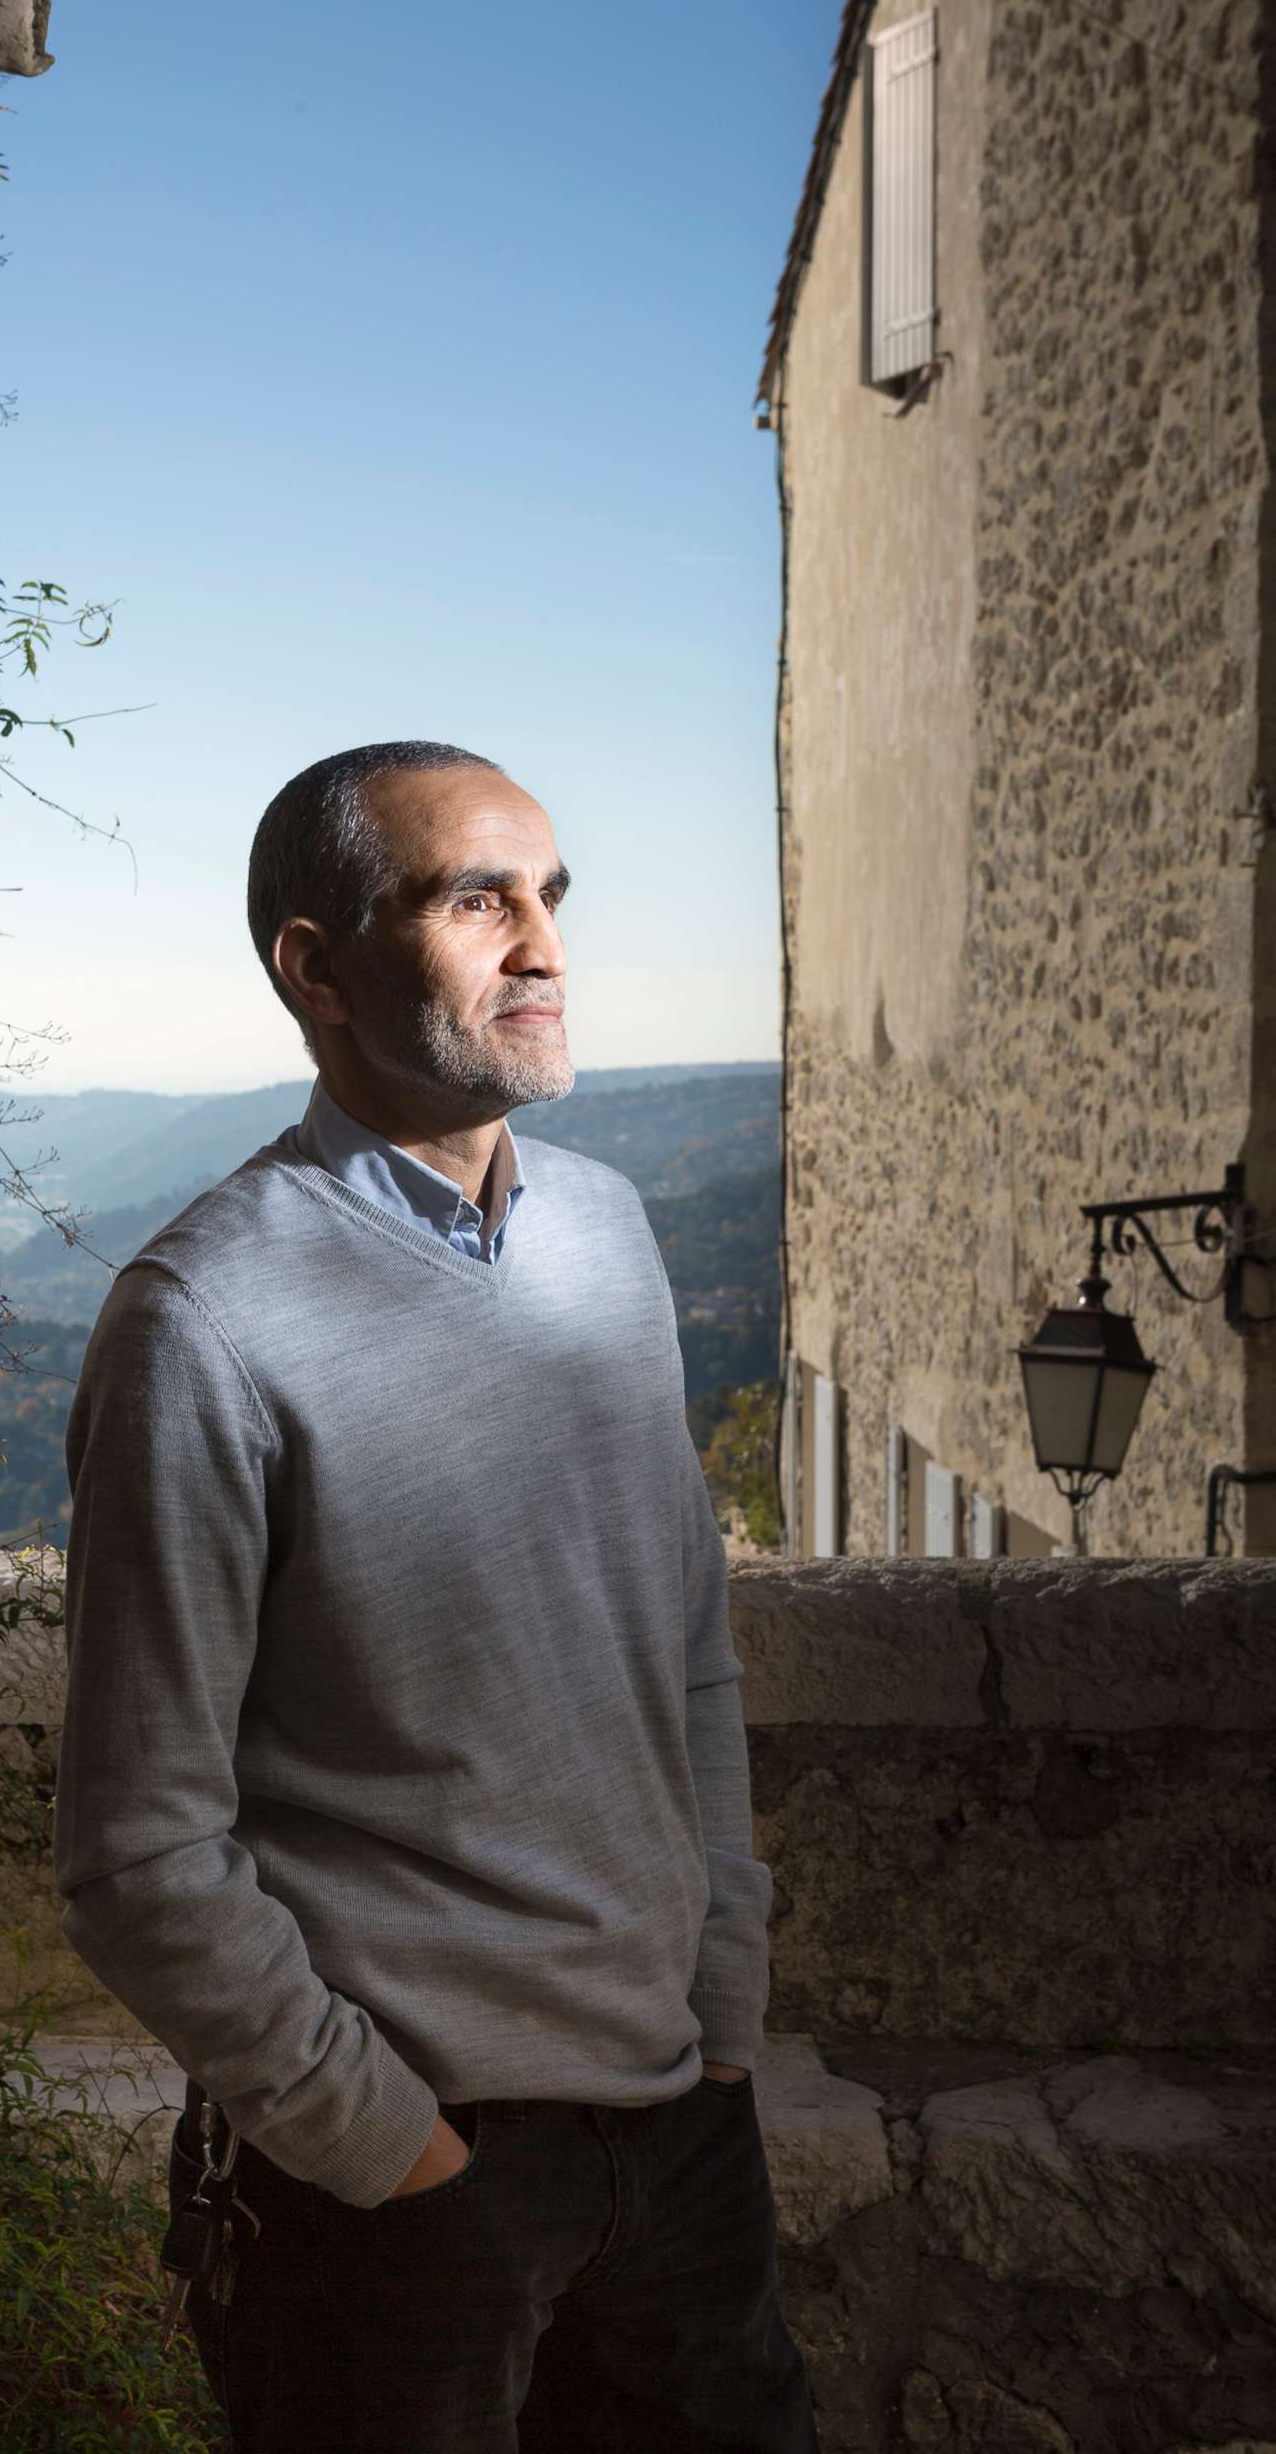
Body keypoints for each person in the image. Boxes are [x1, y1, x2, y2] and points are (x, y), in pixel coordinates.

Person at [52, 741, 819, 2452]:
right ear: (314, 967)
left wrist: (726, 2007)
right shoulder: (201, 1319)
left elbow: (683, 1655)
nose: (542, 944)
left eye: (550, 896)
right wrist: (389, 2148)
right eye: (479, 899)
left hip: (679, 2136)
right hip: (402, 2193)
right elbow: (135, 1852)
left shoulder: (609, 1238)